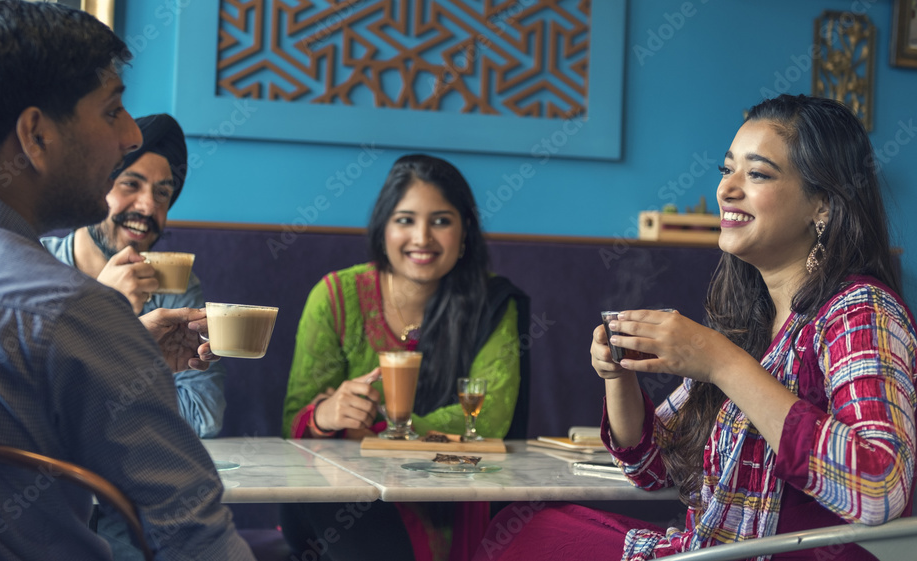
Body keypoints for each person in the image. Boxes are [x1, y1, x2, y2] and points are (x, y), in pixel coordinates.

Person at [476, 94, 917, 561]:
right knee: (529, 528)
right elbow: (650, 467)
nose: (727, 189)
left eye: (758, 173)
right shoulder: (749, 323)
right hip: (709, 550)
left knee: (530, 540)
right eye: (728, 170)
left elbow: (879, 486)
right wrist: (618, 377)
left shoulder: (860, 311)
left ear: (822, 205)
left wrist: (724, 365)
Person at [0, 0, 253, 560]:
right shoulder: (74, 310)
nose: (127, 136)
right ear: (35, 134)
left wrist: (127, 360)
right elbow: (197, 541)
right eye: (113, 109)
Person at [280, 154, 530, 561]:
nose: (422, 238)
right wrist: (327, 414)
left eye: (441, 221)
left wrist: (382, 429)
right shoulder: (335, 297)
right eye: (405, 220)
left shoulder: (493, 304)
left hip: (451, 495)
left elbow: (486, 419)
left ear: (465, 232)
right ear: (383, 229)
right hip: (343, 495)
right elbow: (294, 420)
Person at [40, 113, 226, 559]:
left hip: (137, 509)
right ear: (96, 186)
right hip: (49, 507)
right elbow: (33, 410)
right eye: (131, 184)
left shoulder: (175, 284)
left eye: (163, 193)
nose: (147, 206)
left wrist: (133, 385)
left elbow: (205, 411)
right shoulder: (35, 270)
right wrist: (107, 311)